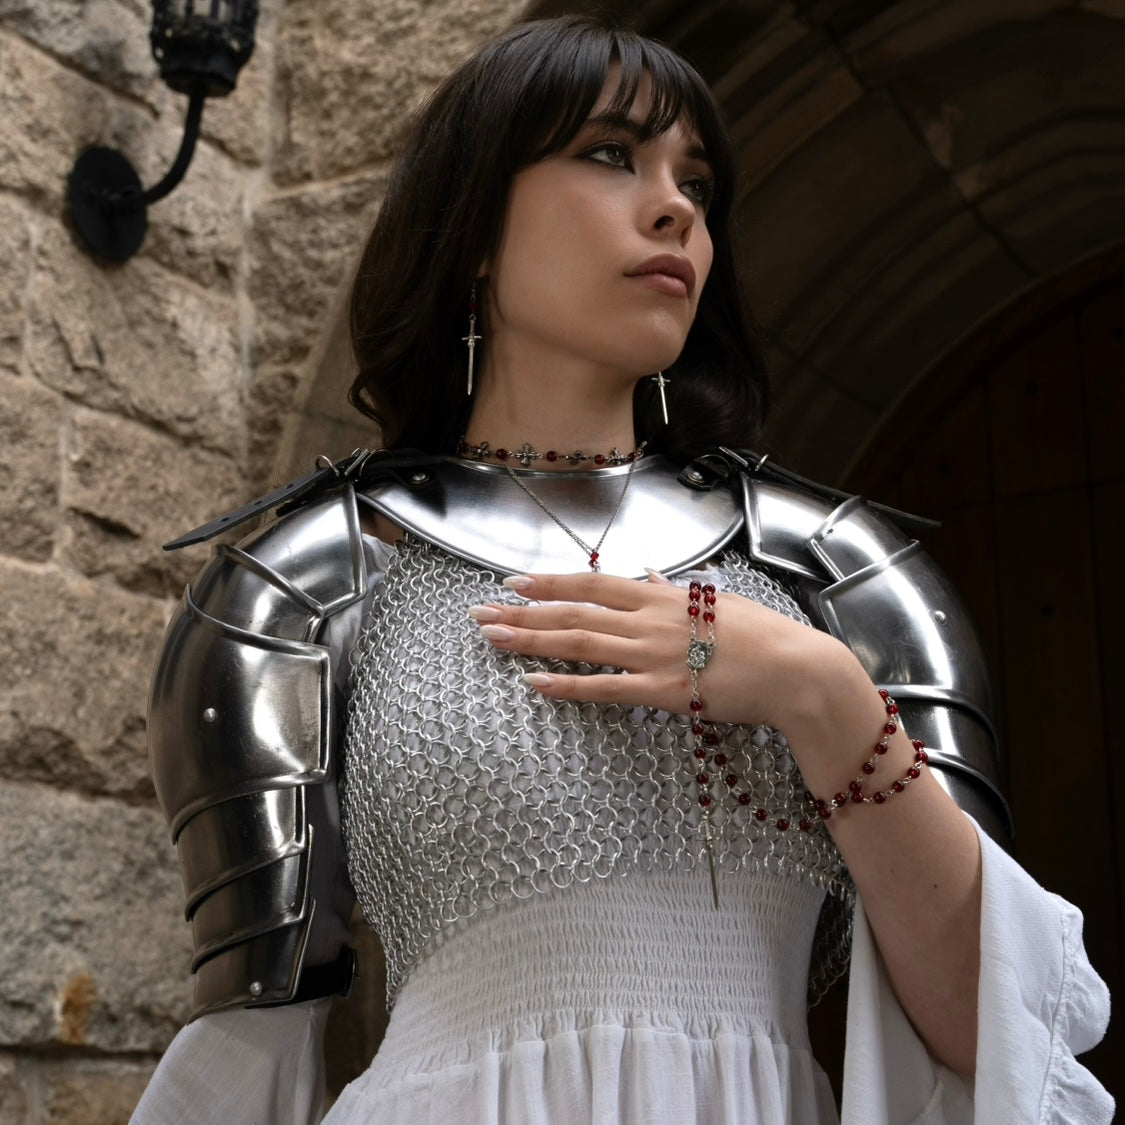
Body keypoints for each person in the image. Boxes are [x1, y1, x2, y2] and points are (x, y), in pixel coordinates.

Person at [132, 15, 1112, 1124]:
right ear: (475, 229)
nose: (676, 207)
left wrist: (821, 695)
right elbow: (246, 1048)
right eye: (611, 155)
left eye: (696, 179)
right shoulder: (312, 580)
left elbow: (990, 1029)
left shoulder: (834, 569)